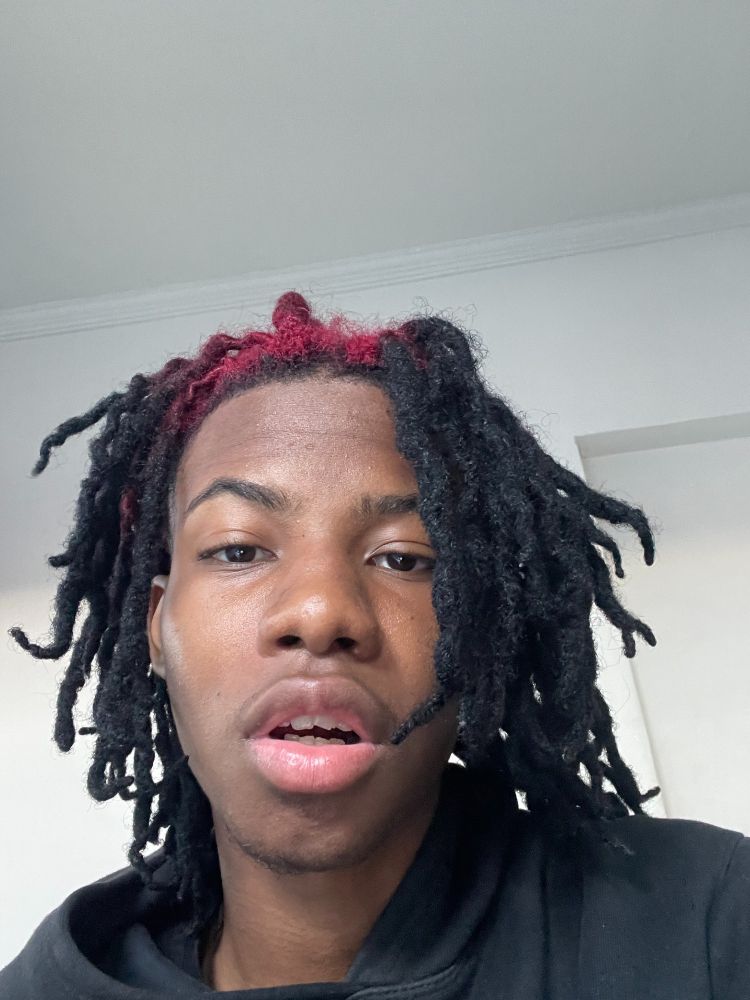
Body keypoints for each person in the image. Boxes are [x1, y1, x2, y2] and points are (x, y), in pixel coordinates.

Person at [1, 291, 747, 999]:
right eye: (238, 549)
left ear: (479, 626)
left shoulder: (708, 919)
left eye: (403, 557)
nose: (321, 612)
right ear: (157, 628)